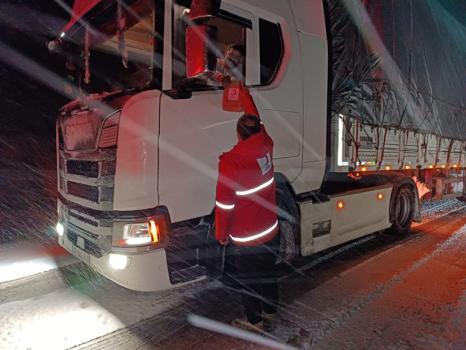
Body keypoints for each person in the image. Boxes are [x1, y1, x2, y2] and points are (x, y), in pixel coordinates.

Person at [215, 113, 279, 330]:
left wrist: (221, 235)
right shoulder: (267, 145)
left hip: (247, 236)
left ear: (237, 133)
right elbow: (259, 125)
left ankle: (255, 321)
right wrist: (245, 95)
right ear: (259, 131)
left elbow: (225, 205)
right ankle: (271, 312)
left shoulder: (232, 161)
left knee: (249, 279)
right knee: (268, 271)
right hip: (270, 229)